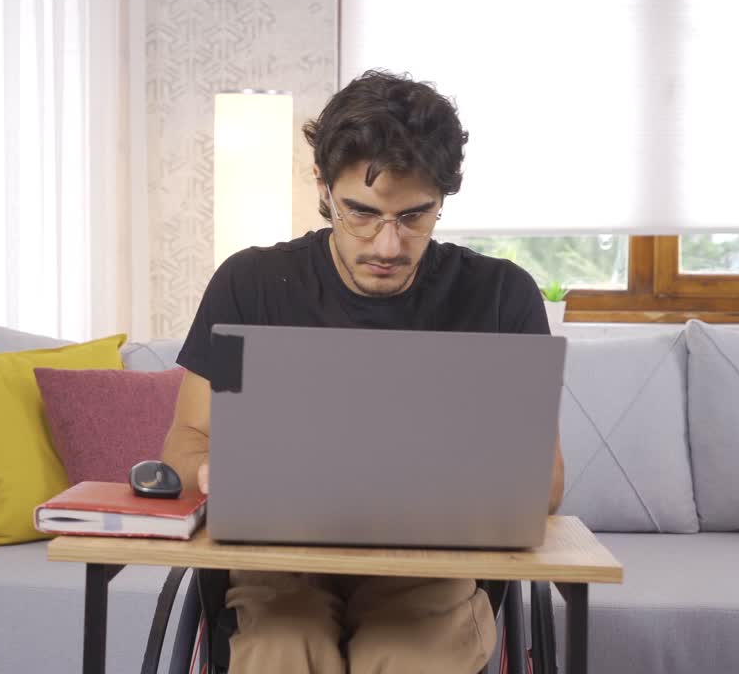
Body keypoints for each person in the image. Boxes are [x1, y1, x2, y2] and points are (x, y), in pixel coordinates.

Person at [161, 69, 565, 674]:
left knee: (402, 656)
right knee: (281, 651)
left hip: (433, 570)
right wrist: (210, 471)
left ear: (443, 199)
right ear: (323, 187)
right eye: (361, 213)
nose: (387, 245)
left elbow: (546, 481)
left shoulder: (501, 296)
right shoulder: (249, 283)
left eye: (414, 217)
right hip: (280, 567)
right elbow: (184, 443)